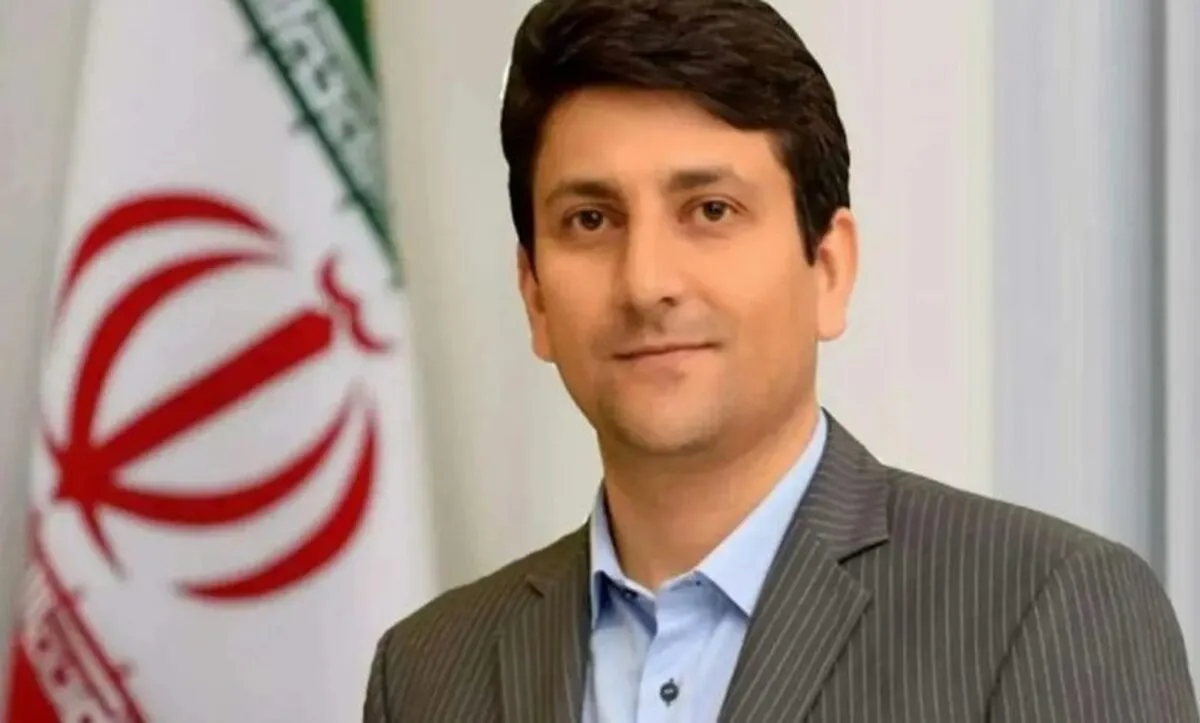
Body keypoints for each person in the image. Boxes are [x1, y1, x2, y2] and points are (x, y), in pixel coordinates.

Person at [363, 0, 1199, 720]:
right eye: (591, 219)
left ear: (828, 268)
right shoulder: (429, 671)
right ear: (536, 296)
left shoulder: (1045, 607)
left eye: (711, 210)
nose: (647, 282)